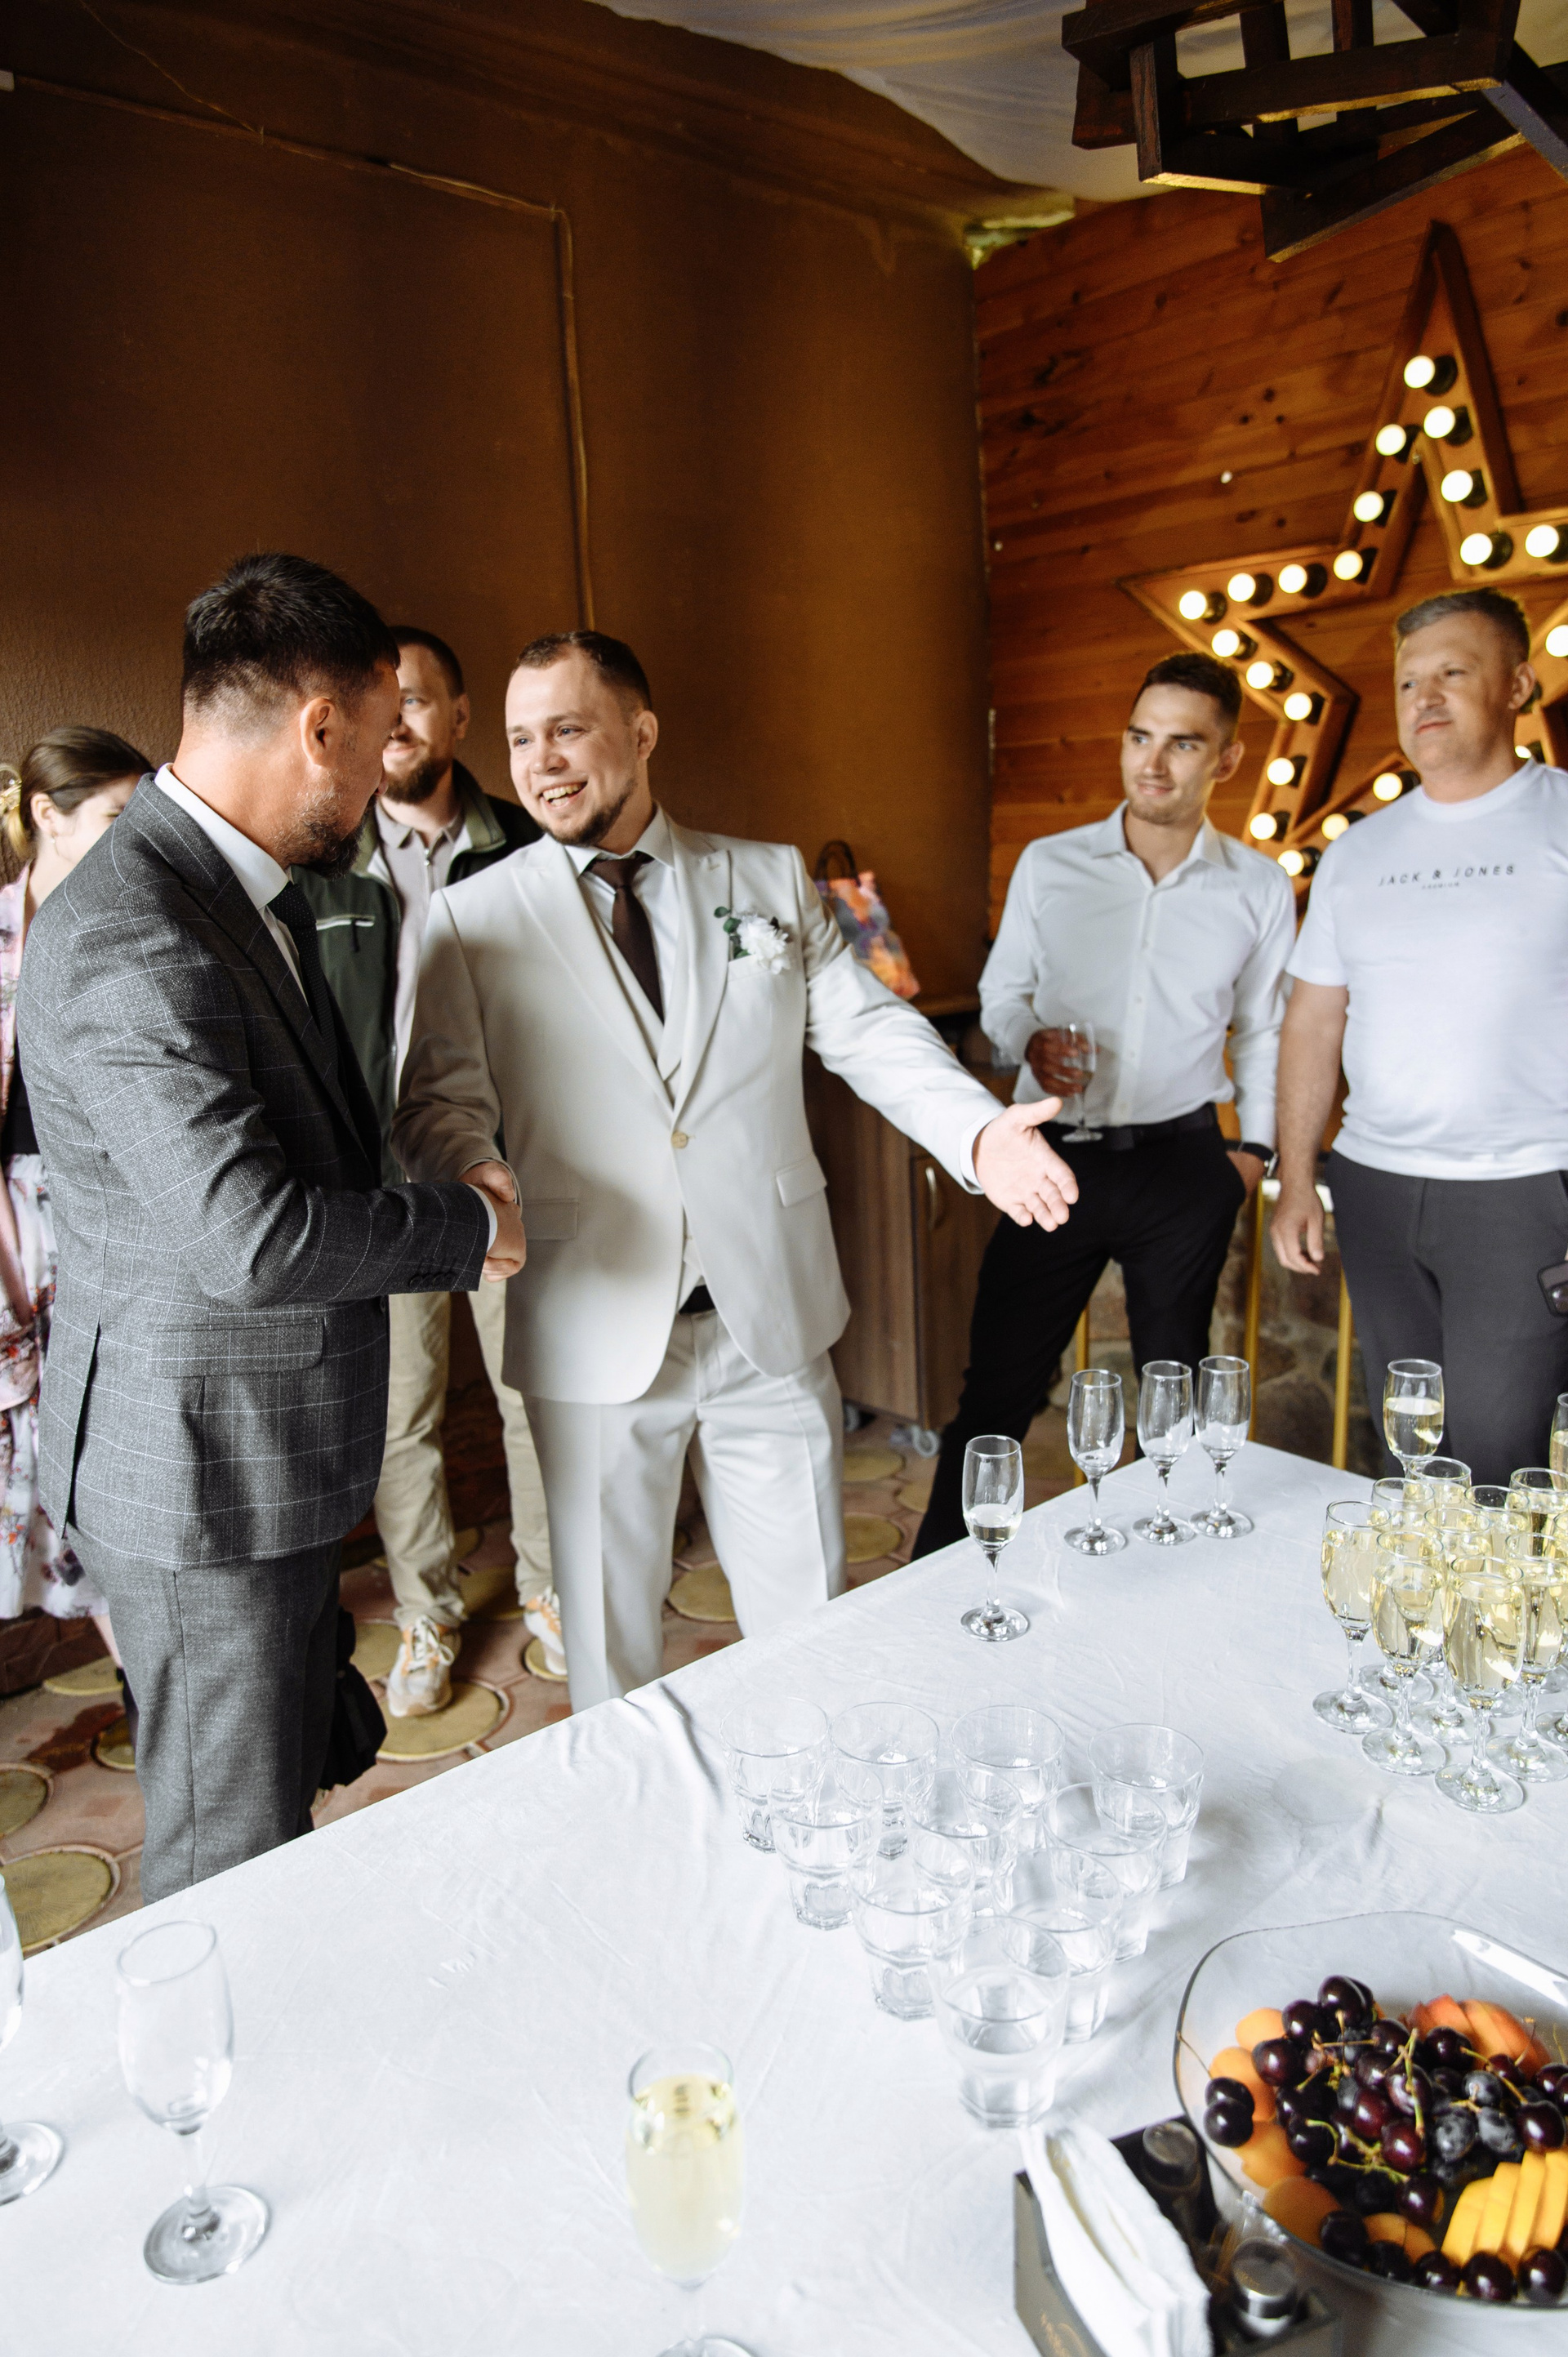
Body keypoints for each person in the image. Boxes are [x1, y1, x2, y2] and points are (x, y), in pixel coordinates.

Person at [394, 630, 1079, 1709]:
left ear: (642, 732)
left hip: (768, 1319)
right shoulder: (472, 918)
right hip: (591, 1321)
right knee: (611, 1659)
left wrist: (979, 1133)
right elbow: (438, 1101)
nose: (541, 762)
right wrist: (473, 1171)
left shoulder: (764, 878)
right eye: (522, 739)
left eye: (568, 729)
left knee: (811, 1637)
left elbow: (866, 1029)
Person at [20, 554, 523, 1901]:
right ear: (320, 727)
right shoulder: (135, 928)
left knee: (280, 1796)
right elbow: (247, 1238)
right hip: (200, 1476)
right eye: (379, 739)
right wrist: (466, 1226)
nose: (381, 780)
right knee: (226, 1857)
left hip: (257, 1453)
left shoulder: (224, 891)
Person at [913, 650, 1294, 1557]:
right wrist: (1029, 1040)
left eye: (1182, 744)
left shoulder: (1257, 886)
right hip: (1053, 1159)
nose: (1152, 763)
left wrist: (1255, 1155)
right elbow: (1002, 997)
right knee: (998, 1391)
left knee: (1174, 1397)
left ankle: (1168, 1578)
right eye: (1138, 737)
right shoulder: (1051, 864)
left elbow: (1265, 1031)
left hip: (1184, 1167)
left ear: (1227, 760)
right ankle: (930, 1580)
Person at [295, 626, 556, 1718]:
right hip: (383, 1190)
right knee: (402, 1413)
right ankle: (427, 1611)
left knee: (532, 1390)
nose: (398, 720)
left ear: (459, 718)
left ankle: (549, 1589)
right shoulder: (323, 860)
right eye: (383, 701)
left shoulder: (529, 850)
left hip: (503, 1168)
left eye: (420, 699)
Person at [1272, 587, 1568, 1484]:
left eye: (1453, 673)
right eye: (1408, 682)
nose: (1425, 699)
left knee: (1501, 1461)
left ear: (1517, 685)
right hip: (1376, 1188)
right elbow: (1313, 1020)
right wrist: (1298, 1177)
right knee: (1412, 1444)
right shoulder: (1358, 852)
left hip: (1527, 1190)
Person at [0, 728, 144, 1641]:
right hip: (22, 1221)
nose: (135, 839)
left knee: (118, 1435)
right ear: (48, 816)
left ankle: (144, 1668)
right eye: (116, 817)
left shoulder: (135, 924)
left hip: (119, 1210)